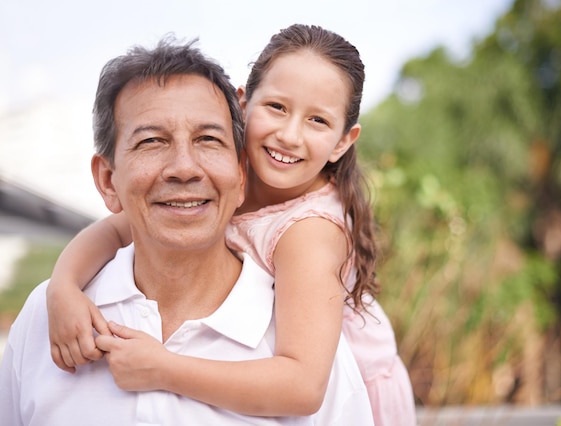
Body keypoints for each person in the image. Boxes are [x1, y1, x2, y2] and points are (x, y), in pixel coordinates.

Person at [47, 24, 416, 425]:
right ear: (242, 103)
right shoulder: (220, 176)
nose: (289, 135)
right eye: (276, 107)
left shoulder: (310, 234)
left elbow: (304, 387)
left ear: (344, 141)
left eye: (318, 121)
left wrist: (164, 368)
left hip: (349, 394)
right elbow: (119, 227)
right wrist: (63, 288)